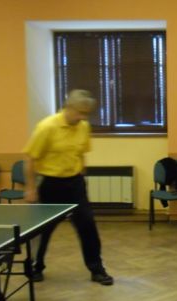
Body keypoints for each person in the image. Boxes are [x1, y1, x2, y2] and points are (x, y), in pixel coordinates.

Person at [23, 89, 114, 286]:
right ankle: (36, 267)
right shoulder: (46, 127)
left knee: (88, 226)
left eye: (86, 114)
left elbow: (80, 154)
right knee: (44, 230)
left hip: (75, 184)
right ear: (68, 107)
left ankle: (97, 269)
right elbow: (30, 158)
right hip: (50, 184)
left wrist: (82, 177)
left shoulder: (83, 127)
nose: (83, 117)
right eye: (80, 112)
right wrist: (30, 189)